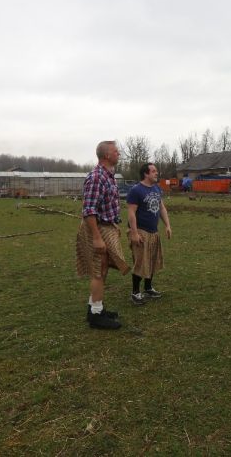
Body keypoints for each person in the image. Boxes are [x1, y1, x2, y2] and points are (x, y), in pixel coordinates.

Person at [76, 141, 131, 329]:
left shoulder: (109, 176)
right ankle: (96, 316)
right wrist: (97, 237)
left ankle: (95, 309)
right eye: (116, 151)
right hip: (96, 228)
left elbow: (105, 206)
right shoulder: (97, 177)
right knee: (98, 270)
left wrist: (113, 224)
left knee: (104, 269)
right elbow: (89, 210)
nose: (119, 154)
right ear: (107, 155)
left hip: (106, 226)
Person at [126, 163, 172, 305]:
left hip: (153, 231)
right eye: (153, 171)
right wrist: (134, 233)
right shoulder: (136, 190)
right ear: (146, 174)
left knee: (152, 261)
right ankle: (135, 293)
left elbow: (161, 208)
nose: (156, 173)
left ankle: (148, 288)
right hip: (140, 231)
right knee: (141, 262)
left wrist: (167, 225)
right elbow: (131, 213)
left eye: (156, 171)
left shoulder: (157, 188)